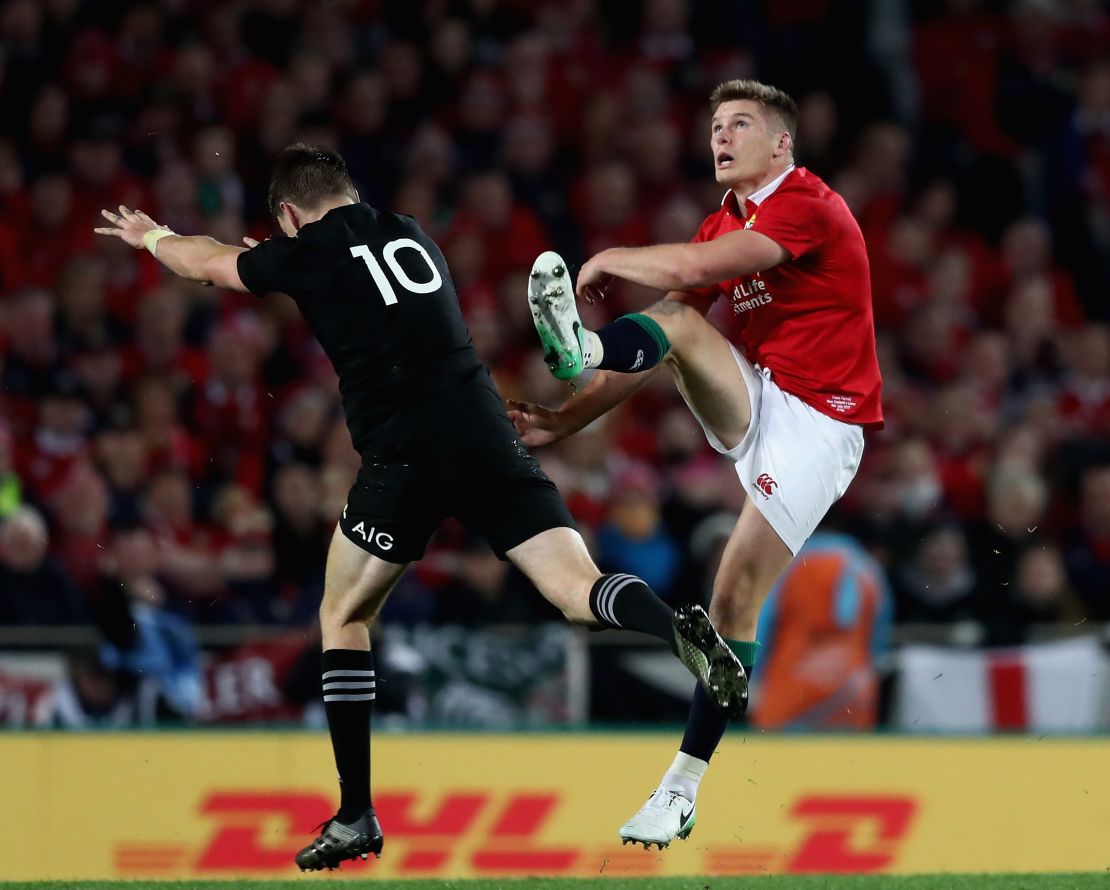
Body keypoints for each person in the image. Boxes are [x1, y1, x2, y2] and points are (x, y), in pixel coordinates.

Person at [93, 143, 747, 870]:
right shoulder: (410, 229)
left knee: (343, 616)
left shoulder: (302, 254)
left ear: (287, 215)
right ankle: (673, 627)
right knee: (575, 589)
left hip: (406, 449)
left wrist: (151, 236)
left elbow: (204, 261)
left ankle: (355, 814)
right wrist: (289, 262)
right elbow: (357, 287)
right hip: (485, 427)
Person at [510, 79, 883, 848]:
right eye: (715, 124)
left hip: (823, 425)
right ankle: (578, 347)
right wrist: (567, 421)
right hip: (761, 396)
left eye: (740, 124)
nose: (722, 136)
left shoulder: (808, 203)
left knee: (733, 597)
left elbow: (697, 263)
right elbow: (670, 315)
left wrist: (613, 255)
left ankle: (681, 787)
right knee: (678, 320)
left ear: (781, 142)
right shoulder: (725, 219)